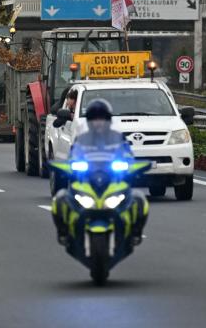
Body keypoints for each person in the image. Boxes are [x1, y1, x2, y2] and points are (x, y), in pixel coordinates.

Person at [51, 99, 149, 247]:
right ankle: (63, 232)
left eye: (102, 119)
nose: (98, 122)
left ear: (108, 120)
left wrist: (128, 166)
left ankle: (135, 232)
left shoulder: (118, 138)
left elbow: (128, 156)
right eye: (94, 119)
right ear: (89, 121)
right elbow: (73, 158)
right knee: (60, 198)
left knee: (139, 199)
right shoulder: (81, 139)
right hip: (86, 182)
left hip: (113, 182)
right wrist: (71, 167)